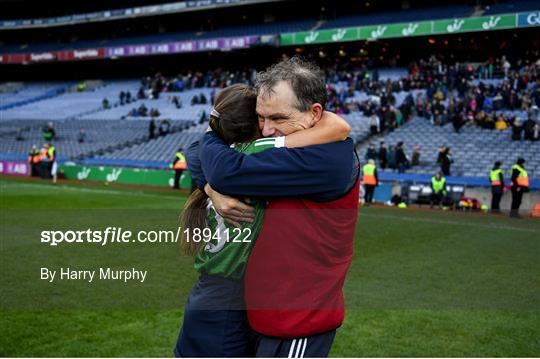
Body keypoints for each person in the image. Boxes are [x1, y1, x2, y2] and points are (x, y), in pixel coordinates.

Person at [185, 57, 359, 357]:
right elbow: (195, 153)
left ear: (315, 113)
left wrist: (214, 140)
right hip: (258, 317)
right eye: (261, 118)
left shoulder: (328, 160)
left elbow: (225, 168)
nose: (266, 130)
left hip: (297, 323)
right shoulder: (291, 145)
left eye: (278, 118)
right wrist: (212, 190)